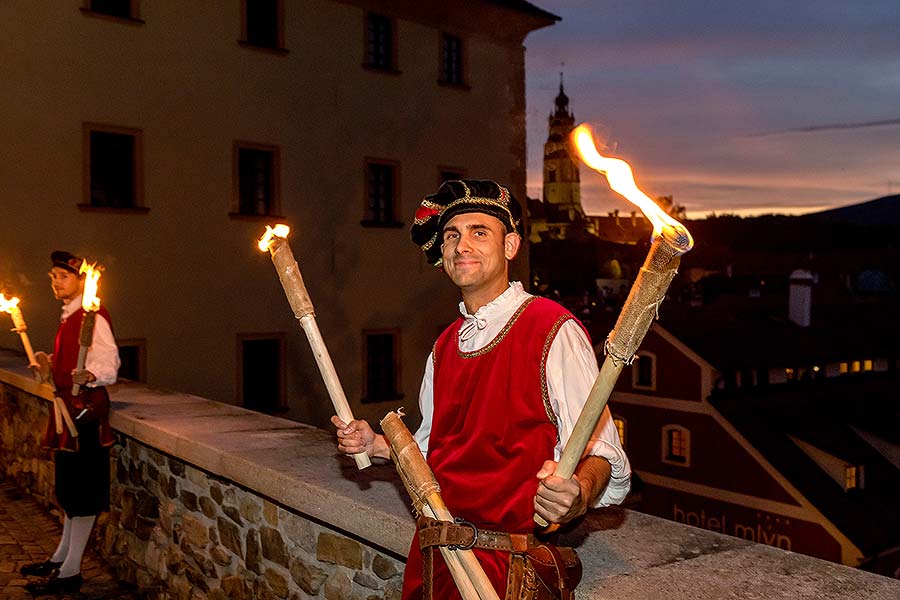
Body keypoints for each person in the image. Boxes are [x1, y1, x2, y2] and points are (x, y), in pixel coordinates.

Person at [333, 180, 630, 599]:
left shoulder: (552, 329)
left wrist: (578, 494)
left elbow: (602, 453)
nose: (461, 245)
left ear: (510, 246)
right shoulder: (444, 346)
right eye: (452, 235)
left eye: (479, 232)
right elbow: (433, 453)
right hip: (435, 563)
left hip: (510, 571)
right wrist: (377, 444)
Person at [20, 251, 120, 596]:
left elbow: (110, 365)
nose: (55, 282)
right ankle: (61, 558)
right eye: (52, 277)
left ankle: (72, 570)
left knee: (83, 492)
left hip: (85, 414)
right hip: (67, 411)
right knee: (69, 491)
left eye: (62, 277)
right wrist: (49, 368)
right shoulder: (69, 318)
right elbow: (67, 365)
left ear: (81, 280)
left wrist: (90, 373)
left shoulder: (94, 317)